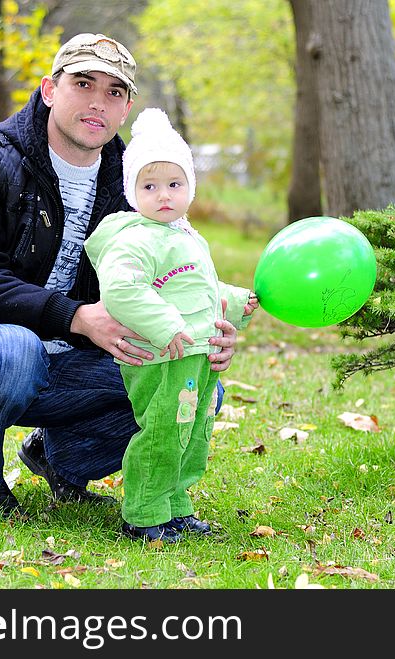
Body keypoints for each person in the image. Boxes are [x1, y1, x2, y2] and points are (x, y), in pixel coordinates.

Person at [0, 33, 241, 515]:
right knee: (13, 350)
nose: (97, 102)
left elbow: (172, 280)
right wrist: (78, 316)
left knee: (194, 389)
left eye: (114, 92)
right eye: (83, 83)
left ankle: (61, 458)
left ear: (126, 108)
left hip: (74, 361)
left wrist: (204, 330)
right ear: (49, 90)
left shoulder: (137, 185)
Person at [84, 109, 258, 543]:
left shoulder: (184, 235)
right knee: (163, 431)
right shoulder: (134, 238)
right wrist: (165, 325)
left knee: (193, 432)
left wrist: (235, 301)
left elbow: (198, 287)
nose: (163, 195)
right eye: (150, 186)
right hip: (160, 355)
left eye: (174, 184)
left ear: (190, 188)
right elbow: (122, 290)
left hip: (195, 355)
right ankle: (143, 515)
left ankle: (174, 507)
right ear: (132, 191)